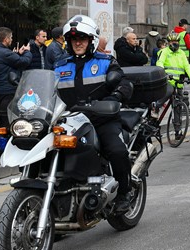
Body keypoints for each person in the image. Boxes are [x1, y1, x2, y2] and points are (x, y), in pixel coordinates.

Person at [54, 15, 133, 213]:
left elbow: (125, 84)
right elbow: (48, 90)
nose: (78, 42)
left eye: (82, 38)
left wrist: (114, 98)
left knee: (116, 150)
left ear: (91, 40)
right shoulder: (60, 66)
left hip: (101, 120)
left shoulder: (105, 62)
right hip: (70, 122)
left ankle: (125, 192)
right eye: (74, 39)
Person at [0, 27, 32, 157]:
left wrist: (17, 54)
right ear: (6, 39)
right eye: (11, 38)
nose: (12, 40)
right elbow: (24, 62)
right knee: (6, 122)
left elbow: (7, 64)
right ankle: (3, 151)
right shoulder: (4, 53)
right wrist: (27, 52)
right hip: (7, 91)